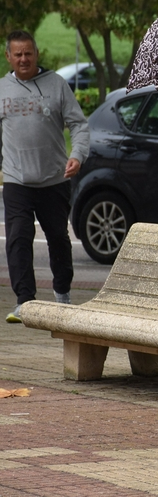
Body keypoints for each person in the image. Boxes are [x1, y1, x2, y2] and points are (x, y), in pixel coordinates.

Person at [2, 31, 89, 324]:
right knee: (18, 238)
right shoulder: (2, 89)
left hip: (54, 179)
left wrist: (77, 154)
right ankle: (25, 302)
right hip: (16, 180)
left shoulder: (57, 85)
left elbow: (78, 125)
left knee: (58, 239)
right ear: (9, 57)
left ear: (36, 54)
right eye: (18, 54)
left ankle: (62, 293)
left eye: (28, 53)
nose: (23, 59)